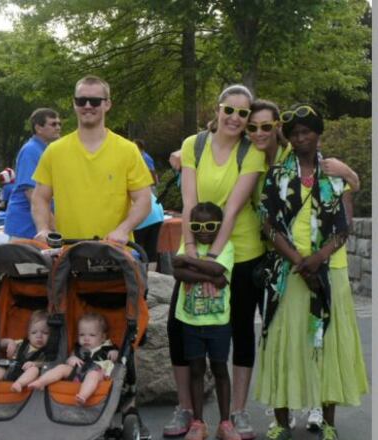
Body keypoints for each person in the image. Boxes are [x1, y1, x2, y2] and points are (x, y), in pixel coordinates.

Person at [245, 99, 361, 434]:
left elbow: (344, 226)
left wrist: (318, 259)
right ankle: (281, 422)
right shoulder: (278, 175)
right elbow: (267, 224)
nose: (300, 139)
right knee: (283, 342)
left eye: (306, 132)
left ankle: (327, 422)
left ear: (318, 134)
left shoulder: (335, 173)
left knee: (325, 343)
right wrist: (300, 261)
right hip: (290, 272)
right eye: (294, 133)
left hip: (328, 270)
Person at [164, 85, 265, 439]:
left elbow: (234, 209)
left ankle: (236, 413)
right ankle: (186, 409)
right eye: (229, 110)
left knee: (238, 328)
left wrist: (213, 258)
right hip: (195, 247)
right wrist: (191, 248)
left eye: (243, 113)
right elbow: (189, 198)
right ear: (218, 109)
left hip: (241, 250)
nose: (235, 118)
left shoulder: (251, 152)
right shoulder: (195, 144)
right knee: (180, 326)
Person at [32, 76, 153, 245]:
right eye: (81, 101)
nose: (87, 106)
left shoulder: (127, 150)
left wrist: (123, 230)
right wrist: (43, 228)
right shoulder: (54, 151)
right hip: (68, 253)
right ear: (74, 104)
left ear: (107, 104)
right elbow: (40, 197)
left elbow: (144, 199)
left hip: (115, 252)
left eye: (95, 101)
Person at [171, 202, 239, 440]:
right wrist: (209, 274)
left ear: (220, 227)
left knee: (220, 368)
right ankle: (198, 423)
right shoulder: (187, 245)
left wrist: (192, 263)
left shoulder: (226, 246)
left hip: (219, 322)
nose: (203, 231)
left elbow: (218, 267)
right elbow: (177, 271)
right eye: (197, 226)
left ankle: (225, 423)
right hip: (189, 320)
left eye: (210, 226)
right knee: (196, 370)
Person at [27, 312, 119, 405]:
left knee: (93, 375)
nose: (86, 339)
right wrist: (72, 359)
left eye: (92, 335)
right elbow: (69, 360)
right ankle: (41, 382)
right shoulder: (78, 349)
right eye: (82, 335)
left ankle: (82, 395)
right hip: (78, 372)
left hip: (97, 373)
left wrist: (115, 353)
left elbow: (117, 360)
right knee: (62, 367)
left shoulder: (108, 348)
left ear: (103, 337)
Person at [0, 310, 50, 408]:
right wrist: (8, 342)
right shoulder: (20, 343)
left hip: (26, 374)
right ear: (28, 335)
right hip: (10, 367)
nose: (39, 336)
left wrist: (35, 364)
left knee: (34, 370)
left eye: (45, 333)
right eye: (34, 332)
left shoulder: (48, 351)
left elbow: (49, 364)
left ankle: (18, 384)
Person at [4, 108, 61, 240]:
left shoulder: (45, 150)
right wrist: (55, 226)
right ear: (38, 128)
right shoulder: (31, 150)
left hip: (34, 228)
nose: (58, 127)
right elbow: (31, 192)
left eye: (59, 124)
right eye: (53, 124)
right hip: (25, 228)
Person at [132, 140, 164, 265]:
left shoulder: (142, 159)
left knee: (135, 251)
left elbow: (152, 173)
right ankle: (151, 280)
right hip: (156, 212)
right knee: (151, 253)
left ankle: (141, 279)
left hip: (144, 214)